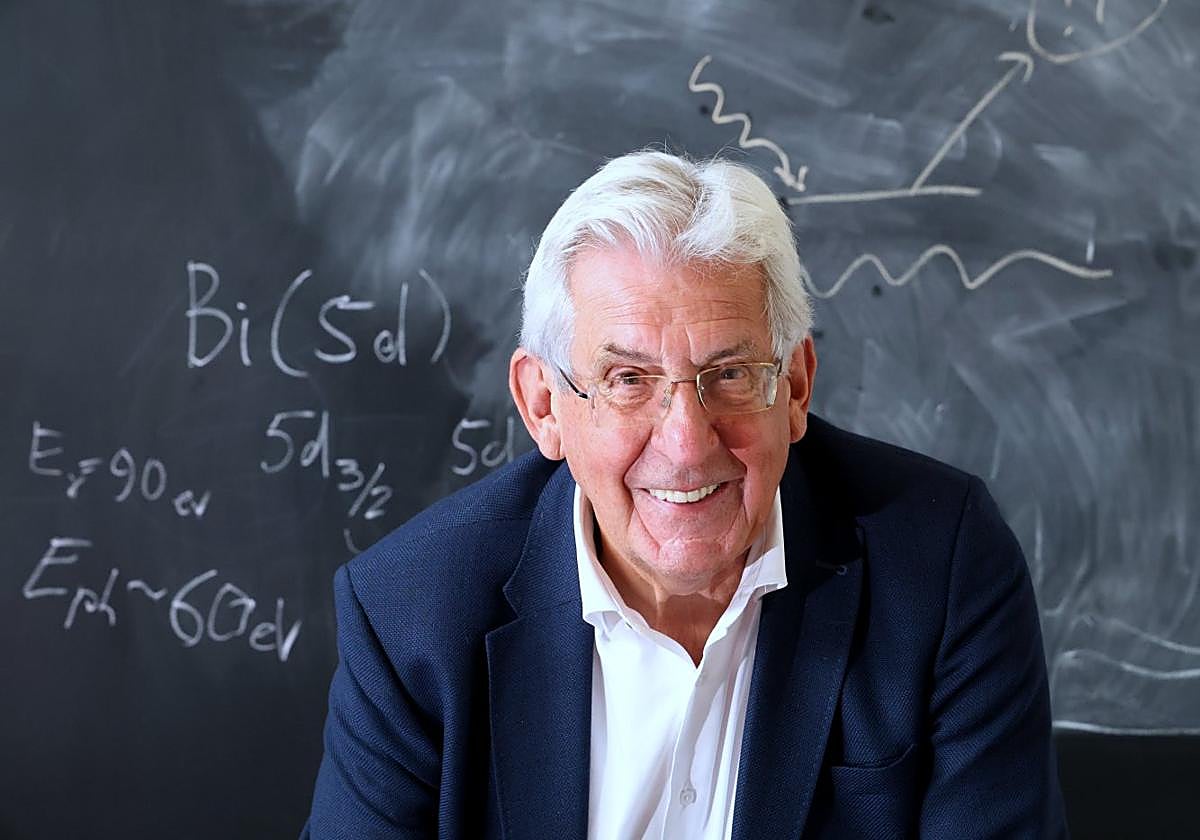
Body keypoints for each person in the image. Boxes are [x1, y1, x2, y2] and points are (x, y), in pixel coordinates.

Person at [302, 151, 1067, 838]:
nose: (686, 443)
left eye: (731, 375)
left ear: (795, 387)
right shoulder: (410, 614)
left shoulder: (944, 567)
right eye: (629, 380)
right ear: (544, 406)